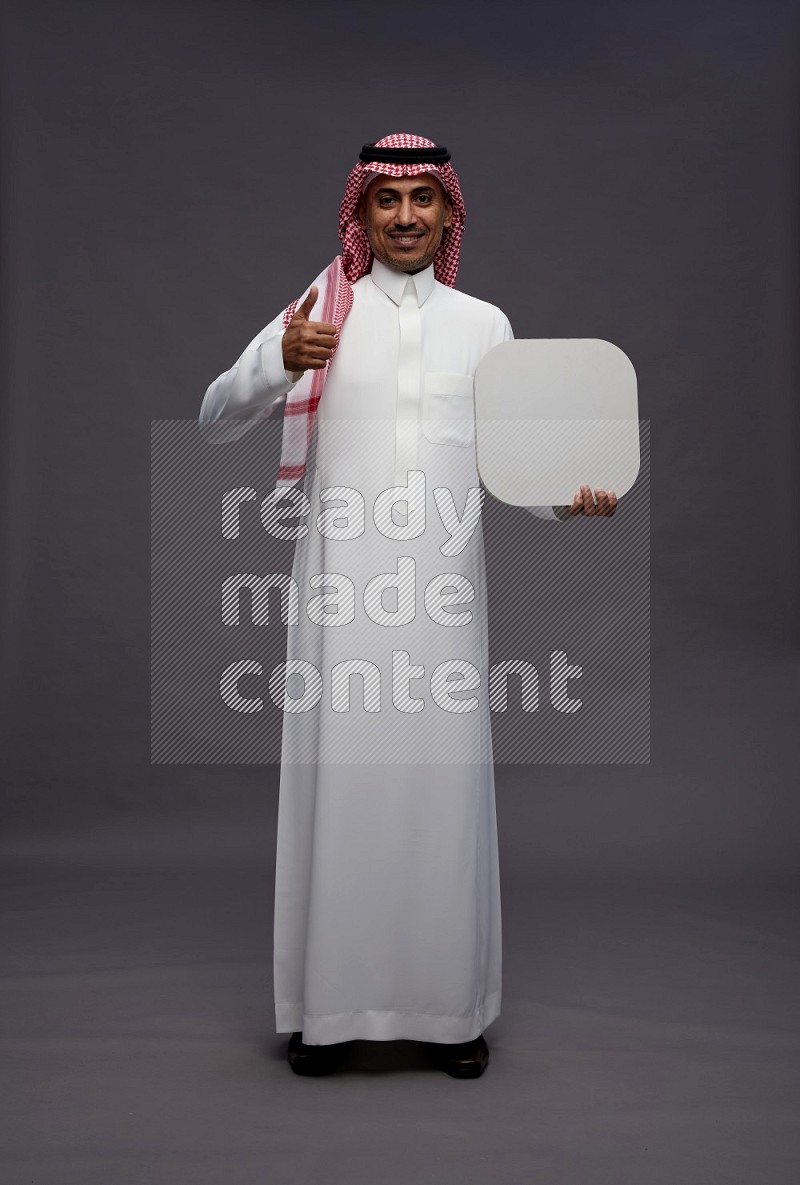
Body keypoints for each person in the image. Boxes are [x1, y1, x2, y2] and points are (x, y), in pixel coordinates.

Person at [200, 133, 615, 1079]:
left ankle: (448, 1015)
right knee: (337, 790)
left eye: (424, 200)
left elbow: (519, 468)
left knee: (441, 797)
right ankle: (327, 1014)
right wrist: (278, 365)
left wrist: (574, 495)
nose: (406, 217)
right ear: (362, 213)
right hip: (338, 596)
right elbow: (215, 415)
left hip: (441, 600)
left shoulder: (485, 325)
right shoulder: (319, 311)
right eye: (388, 202)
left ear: (448, 213)